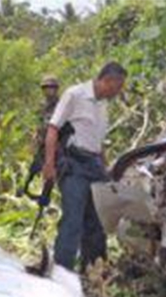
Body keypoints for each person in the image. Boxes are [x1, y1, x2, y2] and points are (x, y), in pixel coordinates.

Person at [42, 62, 127, 271]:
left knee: (97, 220)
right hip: (74, 164)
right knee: (73, 218)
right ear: (107, 80)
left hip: (94, 165)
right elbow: (53, 129)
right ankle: (63, 270)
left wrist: (106, 170)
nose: (118, 92)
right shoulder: (75, 95)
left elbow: (97, 142)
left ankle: (94, 267)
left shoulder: (103, 104)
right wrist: (49, 164)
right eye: (117, 87)